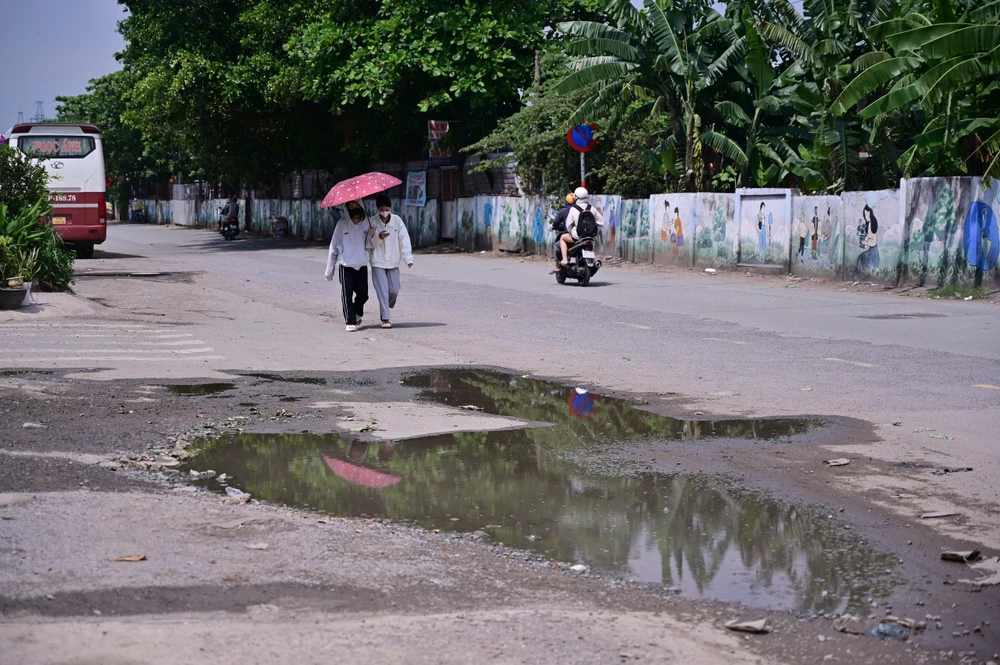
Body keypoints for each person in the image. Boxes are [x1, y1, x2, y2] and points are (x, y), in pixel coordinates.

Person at [325, 199, 374, 332]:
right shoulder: (342, 224)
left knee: (363, 295)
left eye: (355, 204)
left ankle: (357, 312)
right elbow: (333, 246)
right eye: (350, 206)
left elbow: (372, 244)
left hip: (362, 265)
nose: (353, 207)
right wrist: (329, 271)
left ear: (361, 205)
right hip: (346, 265)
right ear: (347, 208)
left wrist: (373, 235)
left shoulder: (368, 223)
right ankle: (350, 320)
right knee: (346, 294)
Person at [368, 194, 413, 329]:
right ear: (377, 209)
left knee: (393, 290)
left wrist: (408, 258)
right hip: (377, 262)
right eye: (382, 209)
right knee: (382, 290)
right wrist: (377, 236)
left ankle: (386, 305)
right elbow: (368, 244)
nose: (385, 212)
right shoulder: (372, 222)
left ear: (390, 208)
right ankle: (385, 318)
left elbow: (404, 239)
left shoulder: (397, 221)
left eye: (387, 209)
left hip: (393, 261)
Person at [558, 187, 604, 267]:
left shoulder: (573, 209)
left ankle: (565, 259)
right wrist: (594, 232)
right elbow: (601, 223)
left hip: (577, 236)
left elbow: (568, 224)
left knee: (562, 237)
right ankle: (593, 260)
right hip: (590, 236)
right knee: (591, 243)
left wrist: (572, 232)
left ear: (576, 197)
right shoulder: (592, 208)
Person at [552, 193, 575, 271]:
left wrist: (554, 227)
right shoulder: (581, 208)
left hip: (572, 236)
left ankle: (560, 263)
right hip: (584, 235)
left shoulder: (565, 210)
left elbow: (556, 222)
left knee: (557, 245)